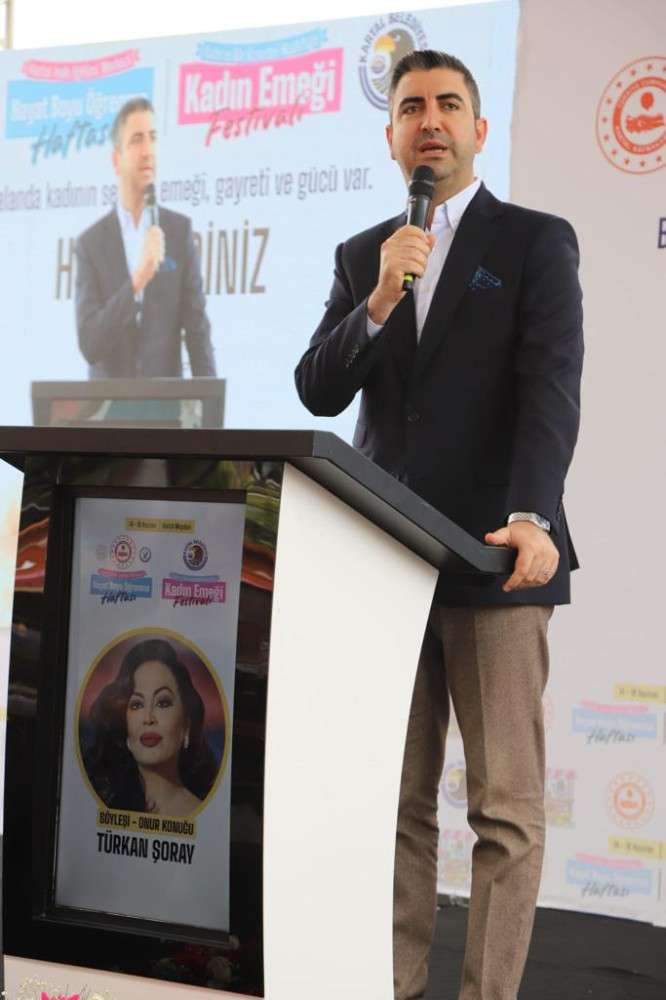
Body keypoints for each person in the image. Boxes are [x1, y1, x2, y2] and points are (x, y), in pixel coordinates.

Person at [295, 50, 583, 1000]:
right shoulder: (365, 256)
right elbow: (316, 389)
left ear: (478, 129)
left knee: (505, 812)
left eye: (449, 104)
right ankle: (397, 984)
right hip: (386, 563)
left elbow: (551, 391)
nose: (430, 120)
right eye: (412, 106)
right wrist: (381, 300)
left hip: (498, 559)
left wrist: (532, 514)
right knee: (394, 804)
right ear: (390, 137)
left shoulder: (535, 242)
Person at [75, 97, 216, 378]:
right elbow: (90, 344)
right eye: (137, 140)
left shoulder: (178, 232)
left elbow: (197, 330)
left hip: (164, 403)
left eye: (152, 138)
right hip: (108, 404)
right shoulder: (91, 243)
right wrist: (139, 279)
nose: (147, 150)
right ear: (116, 160)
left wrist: (210, 400)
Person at [83, 637, 219, 816]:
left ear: (186, 726)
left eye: (163, 703)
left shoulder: (205, 816)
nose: (148, 718)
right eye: (136, 705)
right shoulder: (99, 805)